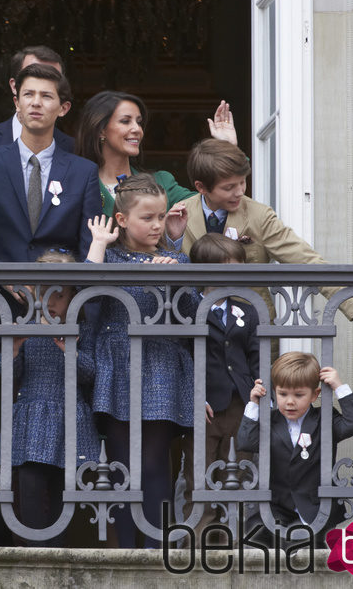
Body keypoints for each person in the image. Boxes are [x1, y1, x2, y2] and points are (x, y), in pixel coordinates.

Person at [84, 173, 198, 548]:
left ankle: (157, 548)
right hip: (117, 367)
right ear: (121, 220)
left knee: (153, 463)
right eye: (147, 217)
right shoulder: (110, 258)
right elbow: (89, 303)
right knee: (120, 465)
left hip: (162, 366)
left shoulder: (175, 259)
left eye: (161, 217)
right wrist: (98, 247)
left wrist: (176, 276)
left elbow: (195, 315)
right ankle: (126, 550)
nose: (156, 225)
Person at [181, 137, 353, 336]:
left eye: (242, 182)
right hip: (193, 332)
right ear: (201, 187)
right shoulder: (180, 215)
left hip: (250, 337)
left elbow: (305, 259)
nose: (239, 192)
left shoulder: (259, 216)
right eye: (229, 187)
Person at [0, 249, 100, 547]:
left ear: (73, 298)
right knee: (29, 484)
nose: (53, 303)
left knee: (61, 491)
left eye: (61, 295)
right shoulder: (25, 325)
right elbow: (6, 372)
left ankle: (55, 552)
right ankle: (33, 550)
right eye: (46, 294)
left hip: (68, 416)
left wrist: (71, 351)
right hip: (30, 417)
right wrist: (13, 348)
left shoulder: (82, 330)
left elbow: (90, 373)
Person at [236, 352, 353, 546]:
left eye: (298, 395)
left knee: (306, 552)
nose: (290, 401)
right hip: (277, 508)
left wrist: (339, 387)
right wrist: (253, 403)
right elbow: (246, 442)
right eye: (282, 394)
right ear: (274, 392)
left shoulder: (324, 419)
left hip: (316, 507)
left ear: (315, 394)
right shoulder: (270, 421)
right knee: (255, 544)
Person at [178, 233, 260, 537]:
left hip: (241, 402)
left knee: (239, 469)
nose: (234, 279)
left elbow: (255, 355)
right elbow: (184, 356)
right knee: (199, 470)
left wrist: (257, 391)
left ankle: (235, 532)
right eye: (227, 271)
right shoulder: (188, 309)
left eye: (239, 271)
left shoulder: (248, 311)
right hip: (204, 404)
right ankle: (199, 533)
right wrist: (192, 396)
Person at [0, 63, 102, 264]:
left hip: (60, 289)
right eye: (28, 94)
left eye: (46, 96)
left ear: (63, 108)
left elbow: (88, 243)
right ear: (17, 103)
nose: (36, 103)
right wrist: (5, 279)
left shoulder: (83, 171)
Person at [75, 91, 197, 218]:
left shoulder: (161, 182)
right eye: (125, 121)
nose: (137, 129)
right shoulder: (78, 186)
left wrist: (220, 143)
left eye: (138, 122)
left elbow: (208, 206)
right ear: (101, 130)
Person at [0, 45, 75, 152]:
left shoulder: (74, 148)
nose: (36, 102)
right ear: (14, 87)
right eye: (31, 74)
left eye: (51, 77)